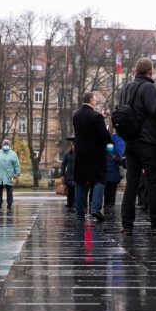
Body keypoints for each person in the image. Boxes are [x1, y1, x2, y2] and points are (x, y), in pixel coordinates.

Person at [120, 58, 156, 235]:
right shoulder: (148, 87)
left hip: (131, 141)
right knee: (153, 183)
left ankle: (127, 225)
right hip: (148, 143)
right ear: (150, 71)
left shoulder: (127, 87)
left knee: (131, 183)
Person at [72, 92, 112, 221]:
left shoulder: (76, 115)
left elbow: (86, 127)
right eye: (95, 100)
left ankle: (79, 213)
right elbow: (105, 136)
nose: (96, 101)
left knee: (80, 182)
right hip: (95, 155)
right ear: (91, 101)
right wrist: (105, 127)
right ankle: (95, 209)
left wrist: (100, 116)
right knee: (99, 180)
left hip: (80, 154)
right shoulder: (96, 116)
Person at [0, 139, 21, 209]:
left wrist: (17, 173)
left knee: (7, 189)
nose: (6, 145)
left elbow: (16, 165)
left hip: (8, 175)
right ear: (2, 145)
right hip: (1, 174)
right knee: (2, 189)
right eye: (5, 144)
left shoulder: (12, 153)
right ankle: (1, 203)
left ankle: (7, 203)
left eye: (7, 144)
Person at [104, 134, 125, 214]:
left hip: (108, 176)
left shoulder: (105, 152)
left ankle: (107, 203)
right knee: (112, 191)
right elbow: (120, 163)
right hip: (113, 176)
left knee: (108, 191)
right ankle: (110, 203)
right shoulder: (117, 153)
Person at [60, 136, 75, 209]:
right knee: (69, 190)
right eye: (73, 145)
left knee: (76, 190)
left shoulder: (80, 153)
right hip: (68, 175)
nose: (74, 146)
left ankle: (75, 203)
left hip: (77, 174)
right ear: (71, 145)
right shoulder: (67, 154)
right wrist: (62, 174)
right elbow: (63, 164)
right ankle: (69, 203)